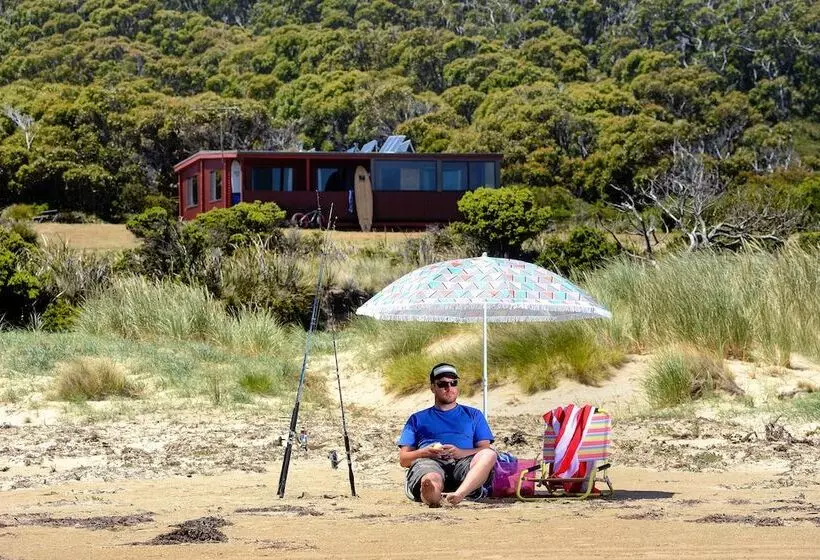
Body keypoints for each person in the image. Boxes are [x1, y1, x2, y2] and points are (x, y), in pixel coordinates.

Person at [397, 363, 497, 507]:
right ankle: (432, 495)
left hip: (464, 463)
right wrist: (424, 452)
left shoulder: (474, 415)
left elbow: (484, 449)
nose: (449, 387)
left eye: (453, 383)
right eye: (442, 384)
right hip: (430, 461)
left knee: (489, 455)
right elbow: (403, 460)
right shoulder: (417, 418)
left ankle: (459, 494)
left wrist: (461, 452)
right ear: (433, 387)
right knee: (431, 477)